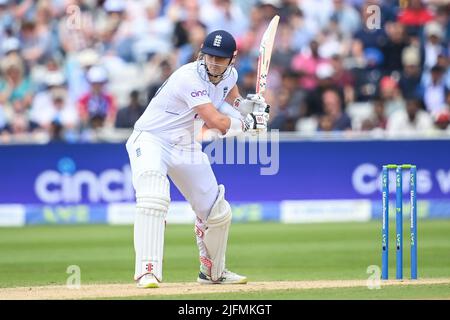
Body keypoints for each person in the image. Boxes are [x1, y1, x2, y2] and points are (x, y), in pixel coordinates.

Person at [125, 30, 269, 288]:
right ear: (202, 53)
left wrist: (252, 108)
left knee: (217, 211)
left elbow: (234, 99)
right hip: (151, 139)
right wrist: (248, 126)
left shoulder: (230, 76)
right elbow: (215, 121)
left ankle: (213, 272)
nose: (214, 63)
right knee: (154, 197)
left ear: (232, 59)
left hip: (185, 145)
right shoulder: (187, 77)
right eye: (210, 56)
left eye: (220, 59)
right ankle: (147, 271)